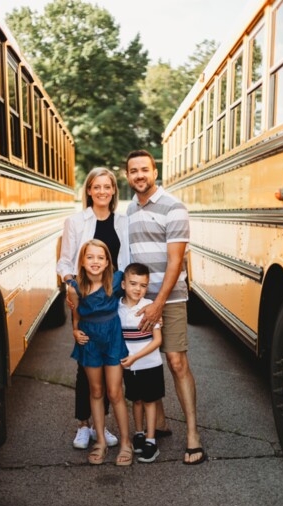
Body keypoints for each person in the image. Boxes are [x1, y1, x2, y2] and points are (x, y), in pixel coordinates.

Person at [125, 150, 206, 465]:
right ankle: (158, 422)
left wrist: (158, 303)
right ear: (128, 176)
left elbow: (176, 261)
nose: (139, 175)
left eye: (144, 169)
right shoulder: (129, 210)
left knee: (176, 362)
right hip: (138, 302)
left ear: (154, 171)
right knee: (146, 362)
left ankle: (193, 434)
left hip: (168, 300)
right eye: (134, 171)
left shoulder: (174, 207)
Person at [57, 167, 129, 450]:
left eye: (107, 187)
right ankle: (83, 425)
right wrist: (70, 284)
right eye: (96, 187)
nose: (102, 192)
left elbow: (126, 258)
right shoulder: (75, 221)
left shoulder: (122, 221)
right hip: (85, 300)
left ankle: (104, 426)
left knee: (110, 361)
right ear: (88, 190)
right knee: (85, 364)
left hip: (112, 298)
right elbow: (65, 261)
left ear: (113, 191)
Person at [68, 239, 133, 466]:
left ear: (107, 262)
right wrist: (75, 331)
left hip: (112, 338)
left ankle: (126, 442)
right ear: (83, 262)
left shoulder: (116, 281)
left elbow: (134, 293)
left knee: (114, 392)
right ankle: (101, 442)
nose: (95, 262)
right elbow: (76, 316)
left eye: (100, 258)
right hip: (89, 341)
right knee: (96, 391)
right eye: (90, 257)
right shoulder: (75, 288)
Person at [119, 263, 164, 463]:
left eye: (143, 285)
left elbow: (157, 340)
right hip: (130, 367)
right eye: (133, 284)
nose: (138, 289)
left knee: (149, 401)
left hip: (150, 364)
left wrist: (136, 357)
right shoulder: (117, 308)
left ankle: (151, 439)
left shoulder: (150, 308)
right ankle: (138, 433)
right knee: (135, 400)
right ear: (123, 284)